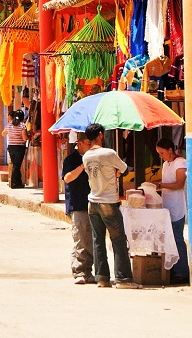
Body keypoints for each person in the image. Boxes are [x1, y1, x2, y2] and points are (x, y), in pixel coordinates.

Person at [82, 123, 138, 289]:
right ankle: (123, 278)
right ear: (100, 134)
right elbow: (125, 169)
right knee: (118, 240)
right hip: (108, 201)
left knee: (97, 240)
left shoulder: (86, 156)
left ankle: (102, 278)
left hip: (93, 201)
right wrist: (117, 172)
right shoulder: (109, 153)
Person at [156, 137, 189, 284]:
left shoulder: (180, 163)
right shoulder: (166, 164)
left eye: (162, 153)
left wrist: (162, 185)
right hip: (166, 205)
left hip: (177, 206)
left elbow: (179, 183)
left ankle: (182, 271)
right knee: (169, 239)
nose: (161, 156)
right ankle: (172, 269)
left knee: (177, 238)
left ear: (170, 150)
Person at [63, 131, 94, 284]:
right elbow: (67, 178)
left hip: (93, 202)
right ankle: (79, 271)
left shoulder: (94, 158)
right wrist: (82, 166)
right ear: (80, 143)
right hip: (77, 203)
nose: (91, 147)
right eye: (89, 144)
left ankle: (89, 271)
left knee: (91, 241)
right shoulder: (71, 160)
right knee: (80, 239)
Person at [3, 110, 28, 189]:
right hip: (19, 147)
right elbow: (24, 138)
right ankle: (14, 184)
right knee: (16, 166)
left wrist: (11, 134)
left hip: (11, 147)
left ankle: (19, 183)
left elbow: (3, 133)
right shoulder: (22, 126)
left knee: (15, 165)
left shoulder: (9, 125)